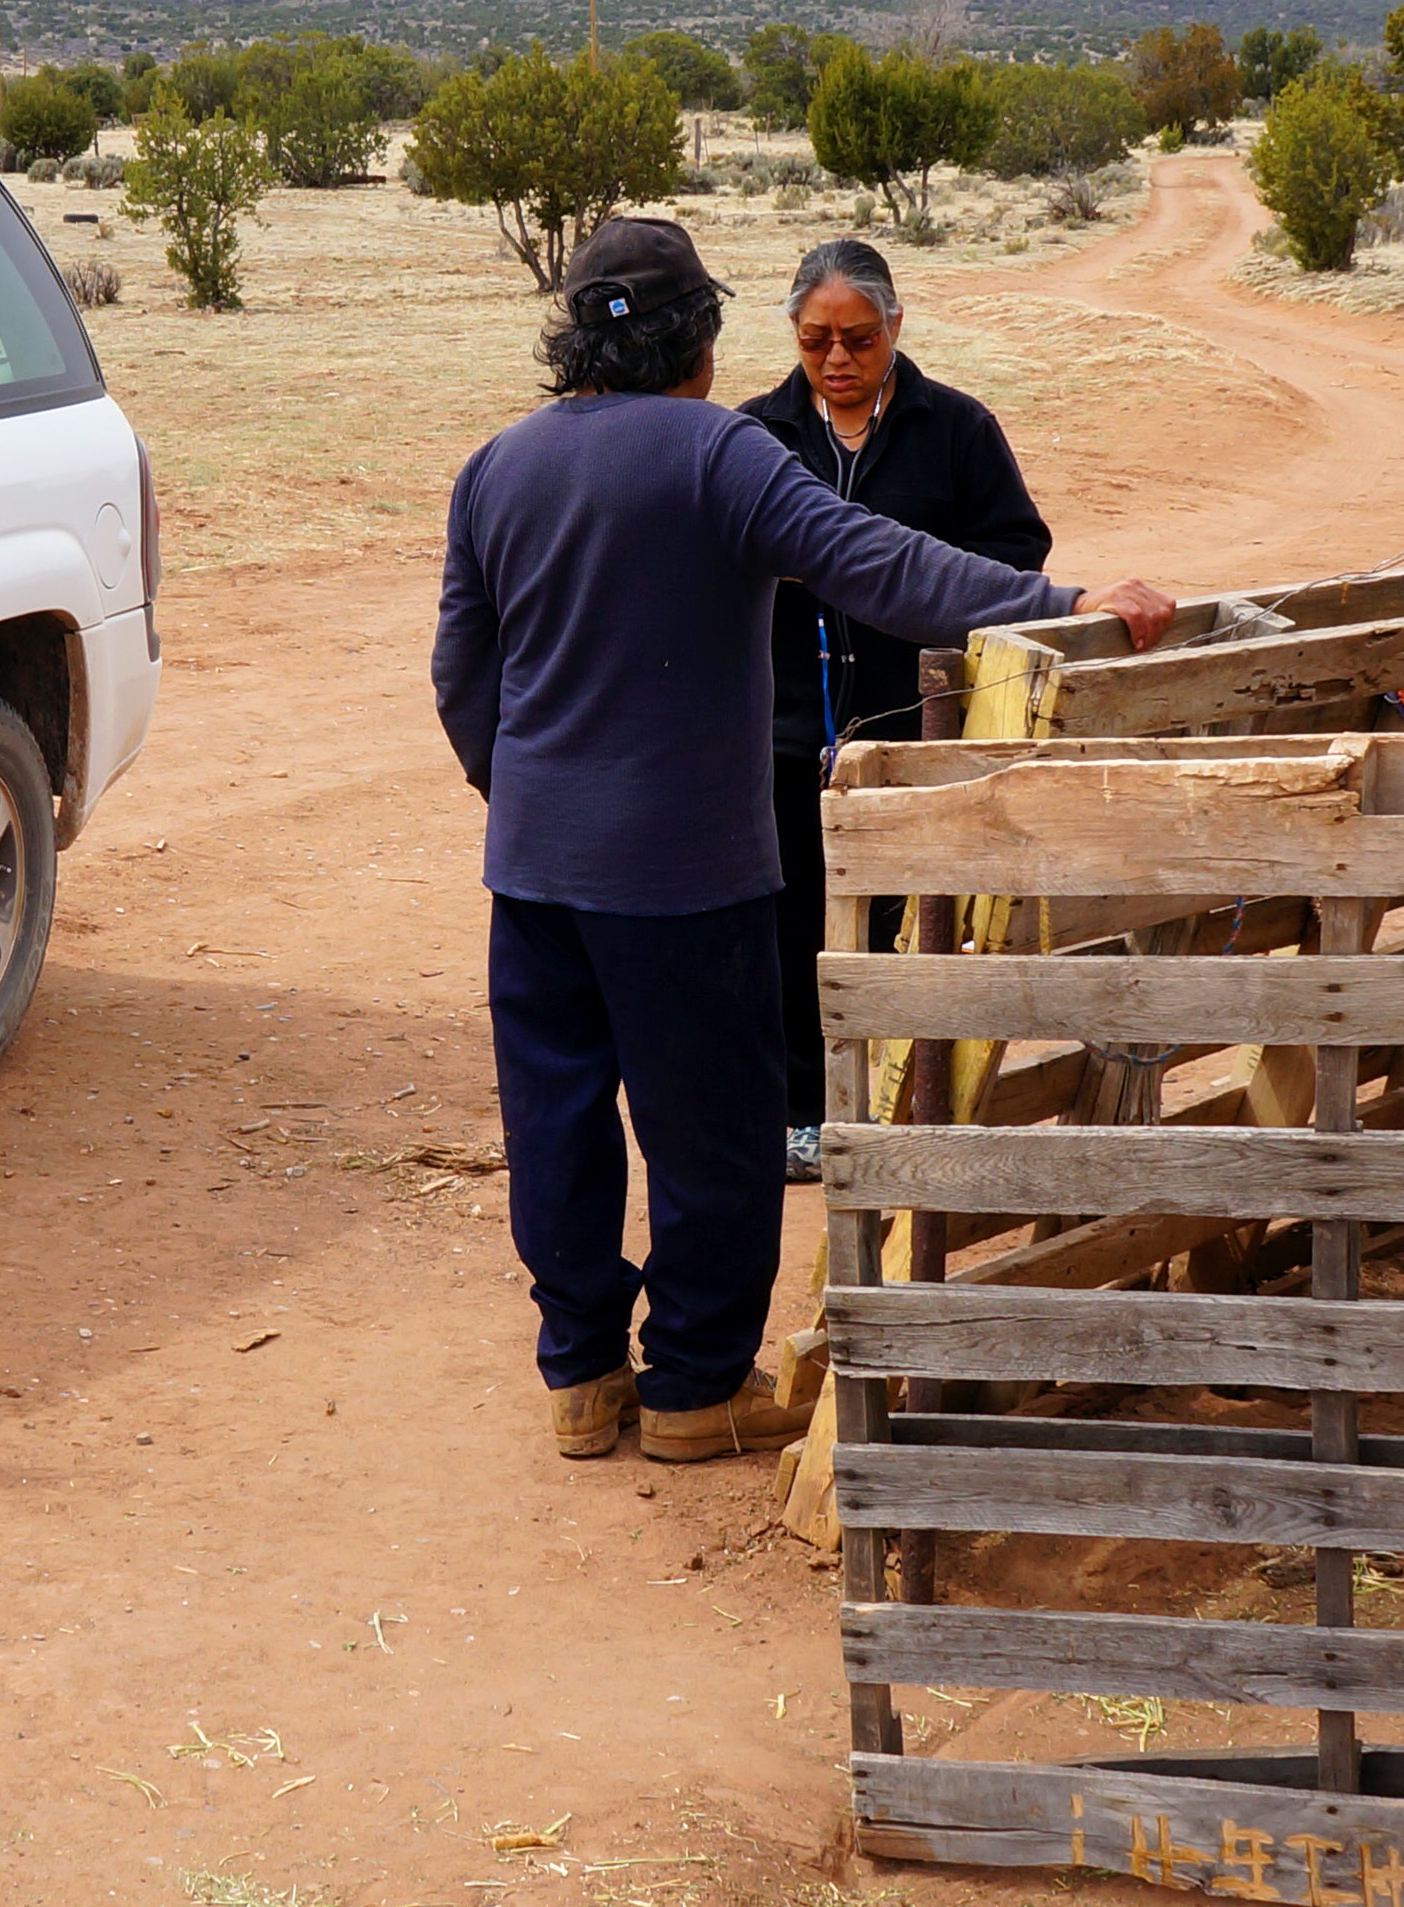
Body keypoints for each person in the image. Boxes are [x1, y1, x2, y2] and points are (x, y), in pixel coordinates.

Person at [432, 217, 1176, 1466]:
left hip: (536, 870)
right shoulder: (719, 454)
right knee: (710, 1125)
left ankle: (580, 1378)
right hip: (685, 872)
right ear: (708, 342)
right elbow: (877, 567)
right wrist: (1062, 604)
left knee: (554, 1116)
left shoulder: (495, 467)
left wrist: (521, 794)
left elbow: (464, 669)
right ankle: (692, 1391)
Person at [737, 239, 1049, 1181]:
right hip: (787, 734)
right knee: (791, 928)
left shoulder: (956, 428)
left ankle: (910, 1114)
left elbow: (1016, 549)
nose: (837, 360)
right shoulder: (752, 437)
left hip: (915, 733)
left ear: (896, 329)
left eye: (860, 339)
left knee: (913, 925)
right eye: (816, 340)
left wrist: (909, 569)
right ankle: (802, 1113)